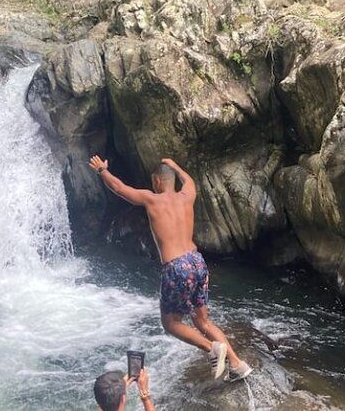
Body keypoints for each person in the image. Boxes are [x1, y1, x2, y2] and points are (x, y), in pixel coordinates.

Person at [88, 155, 253, 381]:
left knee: (171, 323)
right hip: (197, 261)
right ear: (173, 179)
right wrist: (175, 166)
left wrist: (102, 171)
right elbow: (189, 180)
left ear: (156, 181)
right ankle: (236, 364)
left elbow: (119, 188)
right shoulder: (188, 194)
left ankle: (211, 348)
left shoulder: (151, 199)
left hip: (177, 266)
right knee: (202, 321)